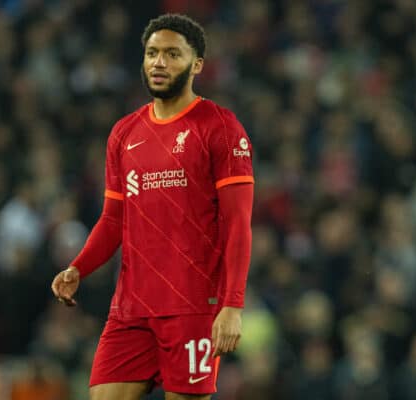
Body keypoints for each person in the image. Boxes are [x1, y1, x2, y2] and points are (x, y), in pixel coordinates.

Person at [51, 13, 254, 400]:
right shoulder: (124, 133)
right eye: (152, 53)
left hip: (193, 307)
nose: (159, 62)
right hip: (131, 308)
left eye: (172, 54)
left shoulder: (220, 128)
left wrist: (232, 305)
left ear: (197, 65)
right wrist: (80, 266)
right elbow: (113, 219)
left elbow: (238, 222)